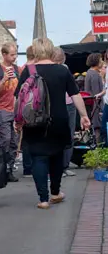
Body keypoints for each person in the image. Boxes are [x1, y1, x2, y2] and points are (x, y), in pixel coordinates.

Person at [15, 38, 90, 209]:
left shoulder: (28, 71)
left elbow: (18, 97)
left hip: (34, 122)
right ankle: (55, 192)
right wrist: (84, 115)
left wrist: (18, 120)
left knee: (38, 157)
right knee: (56, 155)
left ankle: (43, 199)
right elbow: (75, 95)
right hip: (59, 120)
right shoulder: (62, 71)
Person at [0, 42, 20, 183]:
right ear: (4, 54)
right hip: (2, 109)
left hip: (15, 109)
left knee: (15, 142)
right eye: (12, 54)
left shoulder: (18, 70)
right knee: (5, 140)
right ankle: (1, 169)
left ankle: (10, 168)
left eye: (15, 54)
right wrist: (4, 80)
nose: (14, 57)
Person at [52, 47, 77, 177]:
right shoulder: (50, 69)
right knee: (58, 137)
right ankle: (58, 167)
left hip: (69, 104)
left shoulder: (65, 68)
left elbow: (72, 89)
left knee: (70, 135)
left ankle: (65, 165)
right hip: (58, 105)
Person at [20, 45, 36, 178]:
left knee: (27, 138)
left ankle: (27, 168)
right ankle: (33, 166)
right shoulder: (36, 68)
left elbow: (19, 93)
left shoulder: (25, 69)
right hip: (38, 108)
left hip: (27, 108)